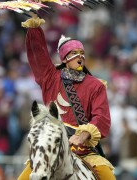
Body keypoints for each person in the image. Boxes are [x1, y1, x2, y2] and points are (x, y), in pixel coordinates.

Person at [18, 16, 115, 179]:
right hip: (50, 150)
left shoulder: (96, 85)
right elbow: (38, 56)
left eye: (82, 53)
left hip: (85, 152)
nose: (80, 57)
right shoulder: (50, 77)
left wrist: (83, 135)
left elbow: (101, 117)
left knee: (108, 176)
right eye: (74, 53)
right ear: (64, 59)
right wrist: (34, 30)